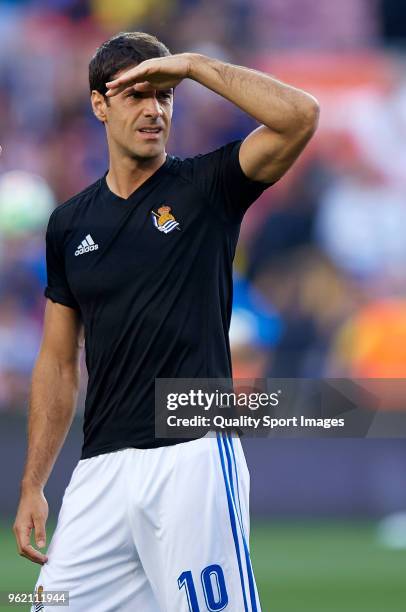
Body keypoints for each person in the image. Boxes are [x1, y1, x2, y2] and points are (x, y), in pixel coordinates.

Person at [13, 32, 319, 611]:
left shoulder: (208, 187)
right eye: (137, 95)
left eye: (165, 95)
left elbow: (301, 116)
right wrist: (33, 483)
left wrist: (197, 65)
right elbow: (56, 362)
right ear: (100, 105)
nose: (154, 109)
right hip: (101, 468)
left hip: (193, 457)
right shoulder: (67, 224)